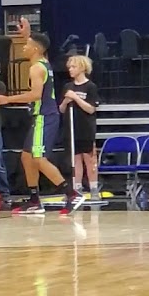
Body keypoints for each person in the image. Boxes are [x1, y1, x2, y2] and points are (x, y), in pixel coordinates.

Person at [0, 27, 82, 215]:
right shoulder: (43, 61)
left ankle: (71, 193)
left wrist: (6, 99)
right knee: (26, 157)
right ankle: (34, 200)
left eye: (26, 44)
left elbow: (35, 95)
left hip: (44, 116)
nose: (24, 47)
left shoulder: (36, 68)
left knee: (38, 158)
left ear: (35, 49)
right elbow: (39, 45)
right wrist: (28, 33)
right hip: (41, 116)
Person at [61, 55, 100, 199]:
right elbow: (61, 109)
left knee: (89, 159)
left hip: (86, 128)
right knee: (75, 160)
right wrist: (66, 100)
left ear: (82, 68)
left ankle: (94, 189)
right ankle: (77, 189)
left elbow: (91, 109)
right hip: (71, 128)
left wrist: (76, 98)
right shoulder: (67, 86)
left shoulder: (90, 86)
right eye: (69, 67)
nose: (70, 70)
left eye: (73, 67)